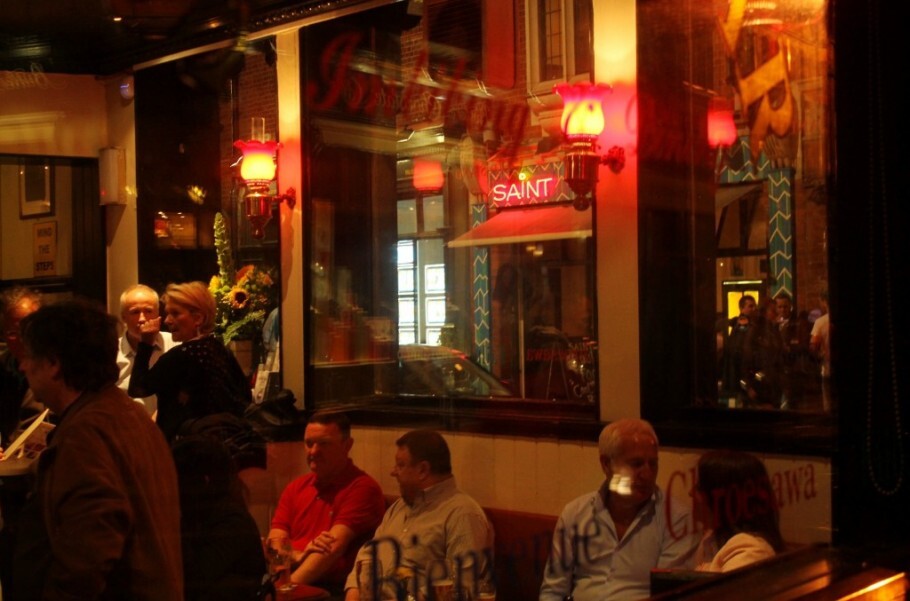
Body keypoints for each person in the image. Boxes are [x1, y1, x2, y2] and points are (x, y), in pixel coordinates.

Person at [9, 299, 183, 600]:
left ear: (53, 364)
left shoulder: (86, 433)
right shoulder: (126, 414)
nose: (23, 365)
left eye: (29, 355)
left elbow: (89, 549)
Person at [540, 418, 698, 601]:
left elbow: (668, 595)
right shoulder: (575, 514)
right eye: (636, 464)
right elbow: (553, 590)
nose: (647, 474)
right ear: (606, 464)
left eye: (653, 463)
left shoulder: (676, 519)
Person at [343, 430, 494, 600]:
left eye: (400, 465)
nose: (393, 472)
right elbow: (366, 560)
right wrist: (353, 594)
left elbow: (460, 588)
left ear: (423, 470)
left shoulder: (462, 514)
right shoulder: (399, 507)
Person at [268, 412, 385, 592]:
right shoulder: (296, 487)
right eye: (309, 444)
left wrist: (284, 591)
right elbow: (275, 540)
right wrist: (295, 557)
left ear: (347, 445)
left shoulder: (362, 488)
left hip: (327, 589)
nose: (314, 451)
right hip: (286, 581)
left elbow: (331, 551)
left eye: (324, 444)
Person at [128, 281, 254, 446]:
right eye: (167, 313)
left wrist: (145, 344)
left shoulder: (180, 356)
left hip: (187, 451)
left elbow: (137, 388)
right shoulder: (220, 349)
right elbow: (244, 395)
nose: (167, 320)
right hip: (226, 447)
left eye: (175, 313)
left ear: (198, 318)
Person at [173, 435, 266, 601]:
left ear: (204, 480)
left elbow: (190, 580)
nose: (171, 485)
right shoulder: (203, 516)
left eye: (177, 477)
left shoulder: (231, 522)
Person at [692, 450, 785, 572]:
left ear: (724, 499)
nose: (691, 493)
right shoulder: (710, 539)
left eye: (698, 488)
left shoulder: (751, 551)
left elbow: (719, 590)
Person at [116, 283, 178, 415]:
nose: (142, 319)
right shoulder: (112, 352)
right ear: (123, 317)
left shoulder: (174, 344)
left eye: (148, 311)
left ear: (158, 313)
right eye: (135, 312)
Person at [0, 286, 46, 443]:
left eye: (29, 330)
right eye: (13, 334)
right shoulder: (3, 366)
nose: (22, 340)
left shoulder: (63, 367)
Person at [741, 297, 785, 409]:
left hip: (773, 382)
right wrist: (749, 385)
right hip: (760, 382)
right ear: (765, 312)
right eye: (773, 310)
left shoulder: (773, 329)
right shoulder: (756, 330)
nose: (776, 312)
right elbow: (747, 357)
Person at [719, 294, 756, 405]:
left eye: (754, 306)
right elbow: (740, 351)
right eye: (750, 306)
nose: (753, 309)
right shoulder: (741, 325)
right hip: (739, 372)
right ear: (742, 308)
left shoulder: (744, 324)